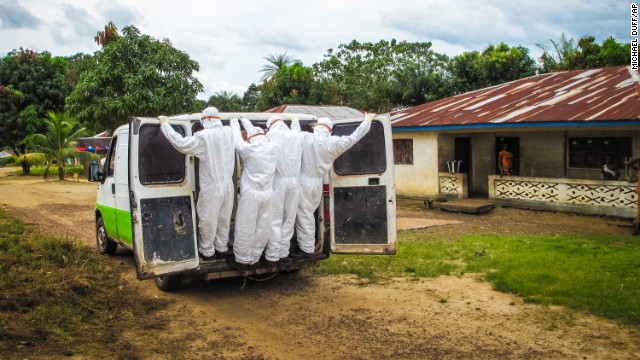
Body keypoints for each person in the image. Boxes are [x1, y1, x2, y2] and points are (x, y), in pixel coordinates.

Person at [158, 107, 235, 260]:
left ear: (206, 120)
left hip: (212, 187)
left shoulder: (204, 137)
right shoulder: (229, 132)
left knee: (208, 220)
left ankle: (207, 252)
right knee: (224, 220)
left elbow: (181, 143)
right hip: (228, 185)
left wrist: (165, 125)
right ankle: (221, 248)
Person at [292, 113, 374, 257]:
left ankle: (306, 249)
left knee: (303, 216)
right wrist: (366, 122)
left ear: (316, 127)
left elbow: (292, 135)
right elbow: (353, 138)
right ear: (329, 130)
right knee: (309, 214)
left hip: (303, 182)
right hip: (317, 182)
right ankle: (308, 246)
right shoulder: (334, 142)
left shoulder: (305, 137)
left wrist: (294, 121)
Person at [229, 117, 278, 271]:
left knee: (246, 226)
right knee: (263, 227)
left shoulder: (249, 150)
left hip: (251, 195)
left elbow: (237, 140)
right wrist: (246, 121)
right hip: (268, 194)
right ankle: (255, 258)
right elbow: (257, 135)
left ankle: (242, 261)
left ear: (251, 139)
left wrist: (234, 123)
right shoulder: (273, 147)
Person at [264, 114, 304, 264]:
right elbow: (297, 130)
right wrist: (295, 121)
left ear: (271, 125)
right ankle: (284, 253)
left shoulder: (270, 135)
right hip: (294, 182)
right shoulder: (296, 135)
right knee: (289, 218)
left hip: (278, 181)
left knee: (275, 218)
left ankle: (273, 255)